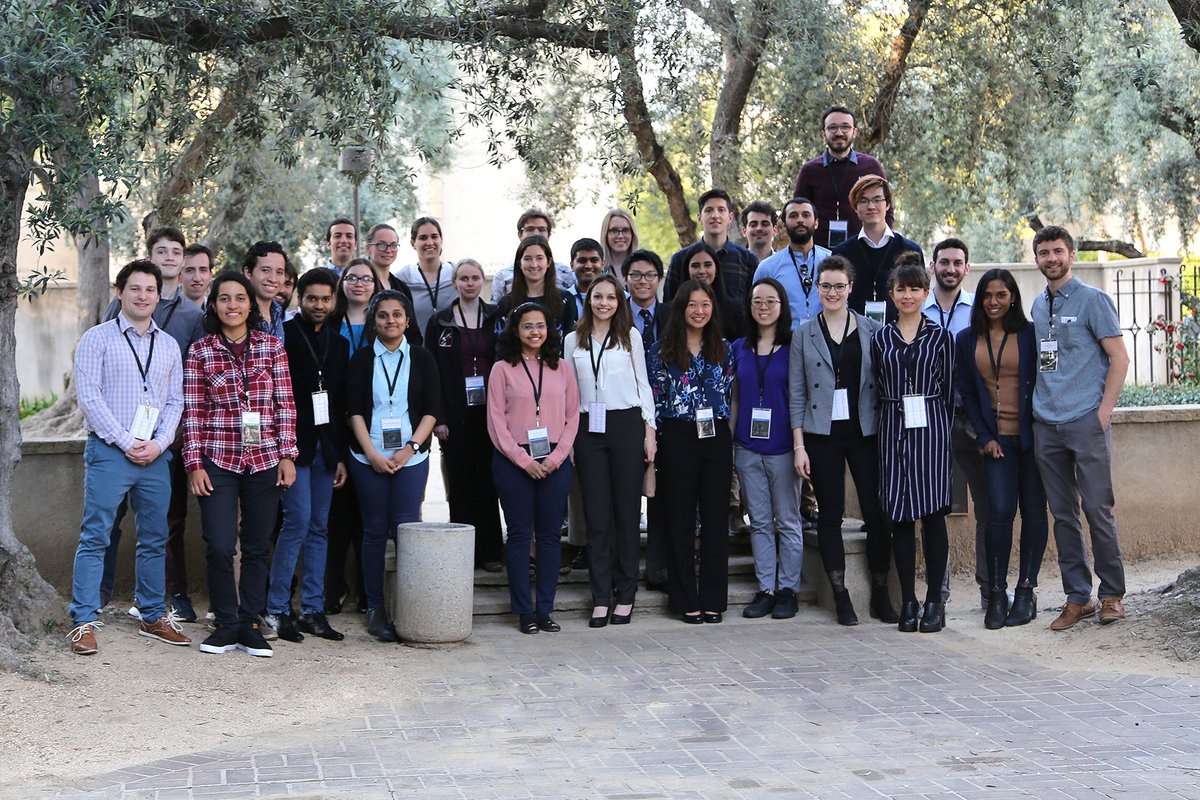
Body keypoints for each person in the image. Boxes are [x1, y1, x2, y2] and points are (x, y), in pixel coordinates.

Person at [68, 260, 190, 655]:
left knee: (155, 537)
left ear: (158, 295)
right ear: (119, 292)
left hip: (154, 456)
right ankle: (83, 621)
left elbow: (175, 401)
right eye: (134, 288)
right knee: (96, 535)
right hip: (109, 451)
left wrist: (159, 443)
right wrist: (126, 441)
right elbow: (89, 399)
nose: (142, 296)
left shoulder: (168, 345)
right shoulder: (97, 339)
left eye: (150, 289)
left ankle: (152, 615)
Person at [184, 272, 298, 658]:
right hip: (217, 459)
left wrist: (287, 455)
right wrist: (194, 464)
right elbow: (194, 412)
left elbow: (285, 405)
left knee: (255, 545)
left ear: (250, 304)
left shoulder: (272, 347)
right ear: (213, 305)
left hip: (265, 458)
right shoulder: (200, 352)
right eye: (224, 298)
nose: (232, 305)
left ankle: (250, 623)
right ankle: (225, 624)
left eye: (239, 298)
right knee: (219, 545)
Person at [98, 226, 203, 620]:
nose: (170, 257)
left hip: (167, 437)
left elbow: (191, 378)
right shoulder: (122, 304)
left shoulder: (193, 315)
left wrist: (172, 434)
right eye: (162, 250)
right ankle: (99, 594)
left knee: (167, 522)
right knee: (108, 520)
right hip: (117, 434)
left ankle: (173, 596)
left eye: (176, 251)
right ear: (150, 256)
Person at [1029, 226, 1130, 629]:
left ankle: (1112, 595)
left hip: (1087, 420)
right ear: (1037, 259)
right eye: (1044, 252)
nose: (1051, 258)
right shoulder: (1038, 305)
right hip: (1046, 423)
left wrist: (1103, 413)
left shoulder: (1093, 300)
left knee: (1097, 509)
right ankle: (1077, 597)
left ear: (1071, 255)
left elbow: (1119, 358)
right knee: (1063, 514)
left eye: (1057, 251)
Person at [790, 255, 894, 626]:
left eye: (839, 285)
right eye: (825, 286)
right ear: (817, 289)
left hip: (865, 431)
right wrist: (799, 446)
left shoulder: (871, 329)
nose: (832, 292)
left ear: (850, 288)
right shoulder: (803, 334)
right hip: (821, 434)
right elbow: (797, 393)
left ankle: (880, 591)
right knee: (830, 515)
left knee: (876, 512)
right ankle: (840, 594)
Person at [345, 290, 441, 642]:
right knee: (373, 531)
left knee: (406, 530)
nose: (390, 320)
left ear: (407, 319)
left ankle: (408, 606)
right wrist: (371, 453)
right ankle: (375, 608)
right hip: (367, 456)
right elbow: (354, 410)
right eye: (383, 315)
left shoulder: (422, 357)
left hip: (411, 457)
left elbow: (432, 409)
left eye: (397, 314)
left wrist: (409, 449)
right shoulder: (361, 359)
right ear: (374, 321)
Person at [956, 268, 1047, 629]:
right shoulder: (966, 339)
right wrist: (985, 437)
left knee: (1035, 512)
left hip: (1031, 440)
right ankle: (996, 593)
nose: (993, 302)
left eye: (1001, 295)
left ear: (1012, 298)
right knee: (999, 514)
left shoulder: (1029, 334)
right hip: (996, 443)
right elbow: (967, 393)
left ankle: (1025, 591)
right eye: (987, 295)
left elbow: (1043, 381)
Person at [564, 274, 656, 627]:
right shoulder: (572, 339)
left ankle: (626, 593)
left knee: (626, 515)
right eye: (598, 297)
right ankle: (601, 596)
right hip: (588, 429)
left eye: (611, 297)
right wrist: (569, 439)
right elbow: (569, 394)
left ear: (620, 302)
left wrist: (650, 432)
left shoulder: (630, 336)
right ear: (588, 300)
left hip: (626, 425)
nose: (604, 303)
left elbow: (643, 385)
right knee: (597, 517)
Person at [264, 268, 350, 643]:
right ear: (299, 297)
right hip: (292, 446)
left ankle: (313, 610)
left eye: (325, 299)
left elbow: (340, 402)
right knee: (296, 524)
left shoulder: (340, 343)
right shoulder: (284, 336)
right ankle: (277, 609)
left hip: (326, 448)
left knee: (319, 527)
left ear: (334, 301)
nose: (319, 304)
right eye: (312, 298)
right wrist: (282, 449)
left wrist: (340, 455)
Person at [871, 256, 954, 633]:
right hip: (893, 429)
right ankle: (908, 600)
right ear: (891, 294)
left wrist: (940, 431)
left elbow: (948, 391)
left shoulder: (940, 337)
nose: (907, 295)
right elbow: (876, 386)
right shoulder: (880, 338)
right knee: (900, 518)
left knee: (933, 516)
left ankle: (935, 601)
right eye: (901, 289)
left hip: (931, 431)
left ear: (925, 293)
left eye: (914, 289)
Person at [487, 302, 580, 634]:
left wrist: (557, 457)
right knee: (519, 534)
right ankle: (524, 611)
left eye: (540, 325)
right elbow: (496, 423)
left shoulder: (562, 368)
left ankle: (545, 609)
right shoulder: (501, 369)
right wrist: (524, 461)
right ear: (515, 330)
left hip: (555, 459)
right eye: (527, 326)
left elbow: (573, 416)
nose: (535, 331)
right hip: (514, 461)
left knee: (550, 536)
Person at [648, 279, 734, 624]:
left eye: (705, 305)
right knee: (680, 519)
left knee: (715, 518)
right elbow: (656, 400)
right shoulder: (661, 350)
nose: (699, 311)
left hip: (715, 435)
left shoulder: (724, 349)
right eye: (692, 305)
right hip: (677, 435)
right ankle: (684, 598)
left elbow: (729, 394)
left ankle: (713, 599)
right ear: (681, 308)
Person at [425, 259, 504, 572]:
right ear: (454, 282)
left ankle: (490, 552)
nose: (470, 284)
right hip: (455, 416)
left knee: (487, 482)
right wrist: (439, 417)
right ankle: (462, 554)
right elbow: (432, 372)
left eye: (475, 278)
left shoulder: (496, 317)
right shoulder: (440, 322)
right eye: (464, 278)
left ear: (482, 281)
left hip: (490, 414)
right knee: (459, 484)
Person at [730, 278, 802, 620]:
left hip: (784, 447)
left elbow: (800, 397)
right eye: (757, 301)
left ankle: (788, 589)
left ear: (782, 306)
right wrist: (729, 442)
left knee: (787, 521)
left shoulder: (794, 346)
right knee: (759, 521)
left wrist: (801, 446)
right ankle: (766, 589)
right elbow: (735, 398)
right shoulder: (738, 348)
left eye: (771, 301)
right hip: (747, 447)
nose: (763, 307)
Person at [923, 238, 989, 609]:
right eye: (944, 262)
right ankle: (938, 593)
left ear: (967, 268)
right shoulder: (917, 308)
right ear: (932, 266)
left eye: (957, 263)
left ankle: (989, 590)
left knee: (987, 506)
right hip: (931, 420)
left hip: (971, 418)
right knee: (933, 509)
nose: (950, 269)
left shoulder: (979, 309)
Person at [324, 258, 378, 615]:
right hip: (335, 421)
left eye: (367, 278)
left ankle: (365, 589)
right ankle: (334, 586)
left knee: (367, 513)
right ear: (342, 283)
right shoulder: (330, 322)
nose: (359, 283)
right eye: (352, 277)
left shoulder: (384, 321)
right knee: (337, 512)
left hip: (375, 423)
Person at [623, 249, 672, 594]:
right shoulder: (613, 313)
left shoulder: (673, 314)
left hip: (667, 414)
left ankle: (659, 570)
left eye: (650, 275)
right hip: (625, 414)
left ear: (659, 279)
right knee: (624, 496)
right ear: (625, 279)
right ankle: (622, 573)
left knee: (664, 495)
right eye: (636, 275)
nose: (643, 281)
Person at [792, 105, 893, 249]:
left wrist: (883, 245)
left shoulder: (871, 166)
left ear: (854, 132)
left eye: (845, 127)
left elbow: (887, 209)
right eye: (832, 128)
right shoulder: (809, 170)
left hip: (862, 249)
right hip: (820, 251)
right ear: (824, 134)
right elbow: (797, 212)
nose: (839, 133)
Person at [833, 175, 923, 323]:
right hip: (854, 331)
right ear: (855, 207)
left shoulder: (910, 250)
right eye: (863, 201)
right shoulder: (842, 253)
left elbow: (918, 296)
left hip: (899, 331)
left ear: (887, 204)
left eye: (877, 200)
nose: (871, 206)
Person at [663, 190, 757, 317]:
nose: (715, 215)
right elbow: (669, 306)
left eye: (721, 210)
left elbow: (753, 306)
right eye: (708, 210)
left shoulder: (747, 259)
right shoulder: (680, 259)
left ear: (730, 217)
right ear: (699, 217)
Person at [754, 197, 832, 328]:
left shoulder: (832, 261)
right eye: (793, 216)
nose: (800, 220)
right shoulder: (768, 267)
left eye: (806, 215)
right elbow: (756, 311)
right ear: (784, 225)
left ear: (816, 223)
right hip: (784, 339)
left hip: (826, 338)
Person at [495, 235, 578, 336]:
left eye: (539, 258)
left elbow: (571, 339)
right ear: (519, 263)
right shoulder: (506, 303)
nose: (534, 265)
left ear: (549, 262)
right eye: (527, 259)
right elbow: (501, 341)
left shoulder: (565, 300)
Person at [491, 209, 577, 301]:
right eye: (530, 229)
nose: (536, 234)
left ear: (548, 235)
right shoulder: (503, 277)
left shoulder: (566, 274)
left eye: (541, 230)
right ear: (520, 235)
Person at [394, 217, 455, 336]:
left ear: (441, 240)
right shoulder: (402, 279)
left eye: (434, 236)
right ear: (413, 243)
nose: (430, 242)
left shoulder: (456, 274)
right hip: (416, 346)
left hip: (453, 346)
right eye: (423, 238)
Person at [682, 239, 742, 341]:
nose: (702, 271)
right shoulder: (674, 308)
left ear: (716, 269)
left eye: (707, 265)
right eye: (695, 266)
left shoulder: (734, 309)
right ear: (687, 270)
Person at [241, 240, 288, 340]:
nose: (273, 279)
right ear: (248, 272)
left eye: (279, 272)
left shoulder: (277, 312)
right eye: (265, 270)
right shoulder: (237, 312)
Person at [563, 237, 605, 320]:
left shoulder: (619, 296)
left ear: (603, 265)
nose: (588, 266)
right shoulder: (563, 299)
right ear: (572, 265)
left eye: (594, 260)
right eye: (582, 260)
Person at [600, 209, 639, 284]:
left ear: (632, 234)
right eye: (614, 230)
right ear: (605, 235)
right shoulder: (598, 270)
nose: (620, 236)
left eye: (625, 230)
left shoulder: (644, 268)